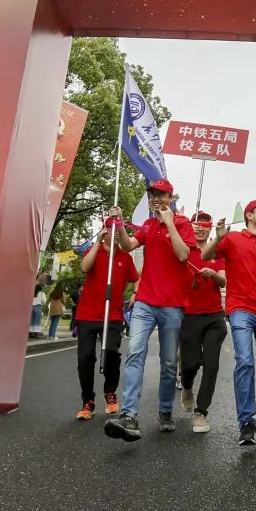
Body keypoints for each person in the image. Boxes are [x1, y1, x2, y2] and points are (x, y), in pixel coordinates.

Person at [104, 179, 194, 442]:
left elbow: (183, 255)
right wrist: (119, 223)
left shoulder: (183, 224)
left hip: (172, 305)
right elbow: (127, 246)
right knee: (134, 352)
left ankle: (165, 410)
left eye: (161, 195)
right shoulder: (147, 225)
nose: (156, 199)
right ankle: (129, 415)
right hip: (145, 301)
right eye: (152, 195)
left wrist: (169, 223)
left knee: (168, 362)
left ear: (170, 198)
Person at [202, 198, 256, 446]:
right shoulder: (232, 239)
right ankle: (246, 422)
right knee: (245, 361)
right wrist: (218, 238)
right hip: (240, 309)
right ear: (249, 215)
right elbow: (205, 255)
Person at [74, 219, 139, 421]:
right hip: (88, 314)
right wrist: (97, 243)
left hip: (113, 315)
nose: (117, 233)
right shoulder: (94, 251)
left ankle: (110, 391)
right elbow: (85, 267)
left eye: (120, 230)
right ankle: (87, 400)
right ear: (105, 231)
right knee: (85, 357)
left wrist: (135, 293)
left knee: (111, 353)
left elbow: (136, 278)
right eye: (113, 229)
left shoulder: (125, 258)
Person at [179, 211, 228, 434]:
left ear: (210, 229)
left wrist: (214, 274)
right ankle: (186, 385)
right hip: (188, 315)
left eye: (204, 225)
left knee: (211, 364)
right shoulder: (183, 251)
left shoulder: (217, 252)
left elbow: (224, 280)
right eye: (195, 225)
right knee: (189, 364)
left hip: (214, 316)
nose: (199, 228)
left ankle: (201, 412)